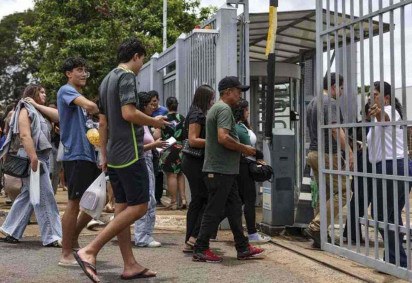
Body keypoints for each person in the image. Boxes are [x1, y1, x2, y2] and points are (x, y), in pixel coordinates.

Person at [74, 37, 168, 282]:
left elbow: (102, 122)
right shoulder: (127, 76)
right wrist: (155, 122)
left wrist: (104, 155)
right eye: (142, 59)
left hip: (114, 155)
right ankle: (90, 249)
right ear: (136, 56)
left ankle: (130, 265)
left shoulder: (106, 80)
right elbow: (128, 113)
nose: (141, 64)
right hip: (131, 152)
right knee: (140, 206)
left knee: (122, 209)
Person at [193, 76, 264, 263]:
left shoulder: (218, 108)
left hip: (225, 170)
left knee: (234, 208)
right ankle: (201, 248)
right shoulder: (224, 109)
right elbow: (223, 138)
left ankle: (242, 247)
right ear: (227, 92)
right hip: (220, 170)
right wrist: (244, 148)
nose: (240, 95)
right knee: (214, 210)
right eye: (238, 91)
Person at [0, 85, 62, 247]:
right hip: (32, 156)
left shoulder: (38, 110)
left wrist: (36, 105)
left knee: (28, 195)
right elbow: (25, 135)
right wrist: (33, 157)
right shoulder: (24, 110)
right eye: (41, 92)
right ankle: (53, 236)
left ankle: (11, 230)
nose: (44, 94)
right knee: (44, 196)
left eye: (45, 92)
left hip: (41, 157)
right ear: (32, 94)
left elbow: (59, 116)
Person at [57, 57, 101, 266]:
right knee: (74, 203)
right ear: (69, 74)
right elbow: (91, 106)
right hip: (75, 155)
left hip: (87, 155)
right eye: (79, 70)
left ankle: (73, 239)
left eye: (85, 71)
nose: (84, 74)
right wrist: (96, 108)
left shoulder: (75, 95)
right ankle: (65, 254)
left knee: (95, 202)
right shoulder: (66, 91)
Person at [304, 73, 354, 248]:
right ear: (333, 86)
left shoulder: (312, 102)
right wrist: (348, 151)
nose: (341, 92)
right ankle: (317, 226)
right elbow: (334, 129)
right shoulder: (330, 103)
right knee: (344, 192)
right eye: (341, 88)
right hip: (326, 154)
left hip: (313, 153)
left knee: (324, 194)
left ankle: (320, 236)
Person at [367, 81, 410, 267]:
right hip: (387, 167)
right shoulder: (376, 116)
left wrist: (378, 113)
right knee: (387, 215)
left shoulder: (390, 111)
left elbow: (384, 118)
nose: (371, 97)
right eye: (371, 94)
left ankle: (397, 260)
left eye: (375, 94)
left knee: (383, 214)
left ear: (386, 98)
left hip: (393, 167)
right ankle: (393, 259)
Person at [181, 85, 215, 252]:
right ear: (205, 98)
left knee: (197, 200)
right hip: (195, 161)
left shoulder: (194, 111)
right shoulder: (197, 114)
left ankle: (191, 239)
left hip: (191, 161)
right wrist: (214, 142)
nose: (212, 102)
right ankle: (194, 237)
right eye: (211, 99)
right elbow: (193, 140)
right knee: (206, 198)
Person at [233, 99, 271, 243]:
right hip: (244, 167)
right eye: (247, 109)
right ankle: (252, 234)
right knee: (249, 200)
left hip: (245, 165)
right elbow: (247, 147)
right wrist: (259, 155)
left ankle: (208, 231)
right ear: (241, 111)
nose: (249, 112)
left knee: (237, 201)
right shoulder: (238, 127)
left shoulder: (241, 126)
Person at [134, 91, 168, 248]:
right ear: (143, 106)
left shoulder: (145, 122)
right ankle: (142, 236)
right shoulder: (138, 122)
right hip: (142, 160)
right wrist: (154, 145)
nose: (154, 107)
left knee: (150, 198)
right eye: (151, 104)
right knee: (147, 198)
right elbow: (136, 147)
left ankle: (145, 234)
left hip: (147, 159)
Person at [159, 96, 187, 209]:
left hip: (168, 148)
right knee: (180, 173)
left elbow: (157, 135)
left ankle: (174, 202)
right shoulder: (182, 118)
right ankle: (184, 199)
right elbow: (185, 133)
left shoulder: (163, 119)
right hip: (180, 147)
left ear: (167, 106)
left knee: (171, 175)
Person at [149, 90, 168, 205]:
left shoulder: (164, 111)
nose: (153, 105)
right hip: (150, 143)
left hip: (161, 143)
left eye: (155, 101)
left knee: (158, 171)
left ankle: (158, 196)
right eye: (151, 102)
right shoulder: (147, 112)